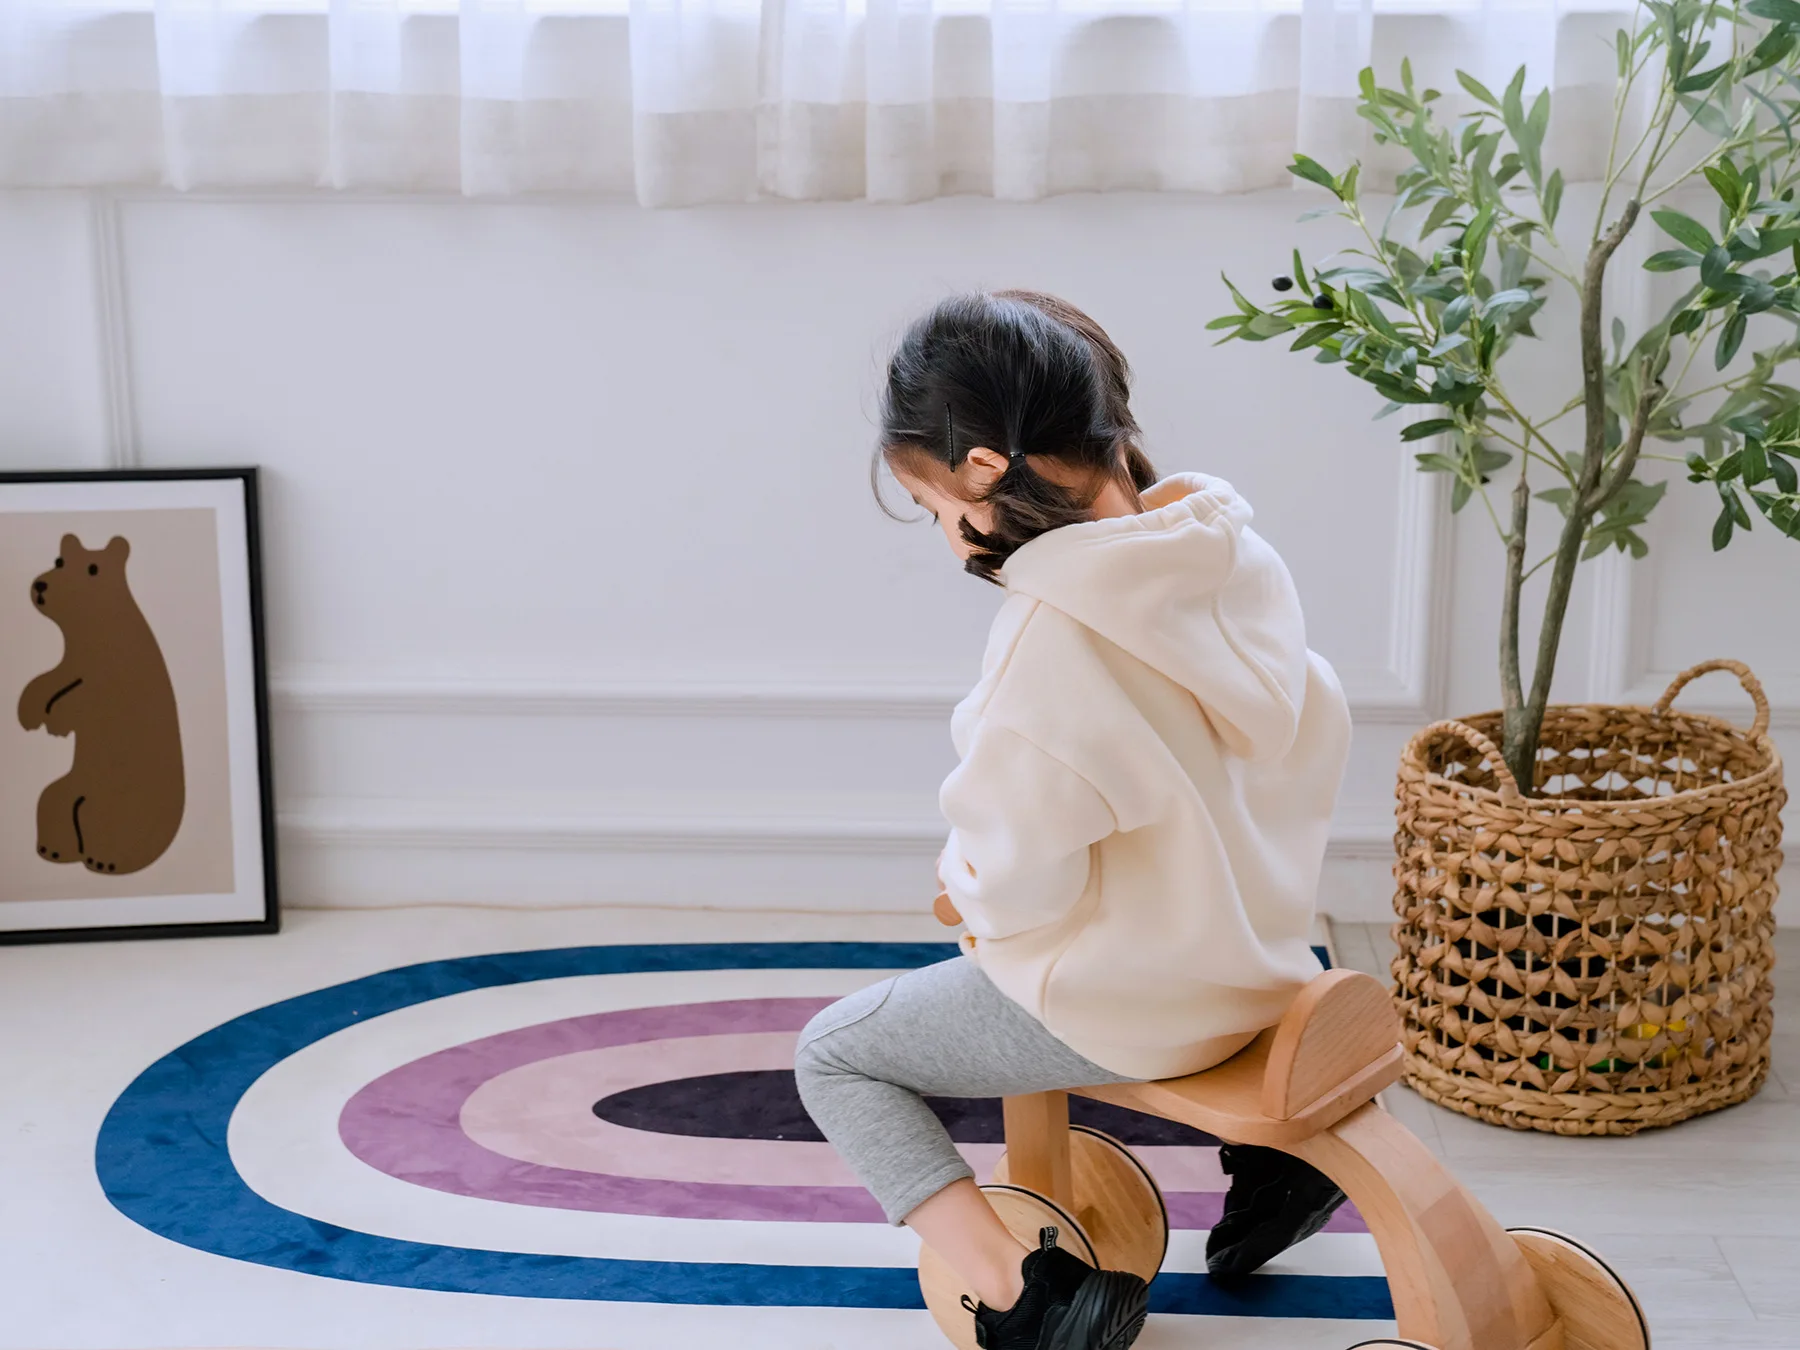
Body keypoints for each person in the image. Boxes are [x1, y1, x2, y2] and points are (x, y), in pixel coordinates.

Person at [793, 290, 1353, 1350]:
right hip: (1265, 966)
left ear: (980, 472)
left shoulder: (1052, 637)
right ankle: (1279, 1161)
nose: (945, 533)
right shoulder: (1237, 563)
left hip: (1136, 1000)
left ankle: (1026, 1296)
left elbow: (1020, 884)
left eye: (929, 504)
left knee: (836, 1056)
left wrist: (967, 881)